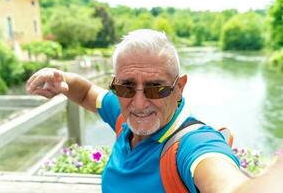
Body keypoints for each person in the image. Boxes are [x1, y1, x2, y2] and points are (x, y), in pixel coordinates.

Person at [27, 29, 283, 193]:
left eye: (156, 88)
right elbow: (87, 94)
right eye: (126, 86)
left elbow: (227, 185)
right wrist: (64, 81)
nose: (138, 104)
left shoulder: (192, 145)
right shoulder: (122, 114)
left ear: (179, 87)